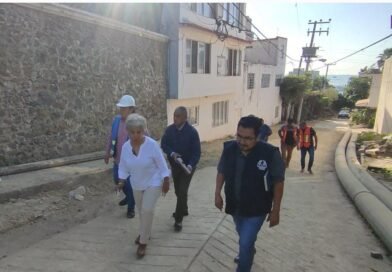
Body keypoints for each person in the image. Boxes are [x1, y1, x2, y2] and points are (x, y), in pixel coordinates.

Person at [215, 115, 285, 272]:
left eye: (248, 138)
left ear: (258, 136)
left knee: (245, 242)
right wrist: (217, 193)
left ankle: (244, 262)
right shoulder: (229, 149)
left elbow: (278, 182)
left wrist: (276, 210)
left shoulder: (270, 153)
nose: (241, 141)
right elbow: (222, 171)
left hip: (257, 208)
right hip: (235, 206)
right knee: (244, 238)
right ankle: (247, 251)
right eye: (239, 136)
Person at [118, 113, 170, 258]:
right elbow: (123, 166)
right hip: (136, 183)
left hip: (154, 181)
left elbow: (162, 164)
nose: (135, 135)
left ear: (144, 131)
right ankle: (144, 232)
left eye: (139, 132)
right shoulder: (125, 147)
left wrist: (166, 180)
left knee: (147, 210)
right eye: (132, 132)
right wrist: (121, 181)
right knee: (141, 211)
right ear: (128, 132)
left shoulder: (152, 145)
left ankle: (143, 242)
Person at [161, 106, 201, 232]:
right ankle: (184, 208)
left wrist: (190, 165)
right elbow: (164, 144)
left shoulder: (192, 133)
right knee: (178, 192)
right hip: (175, 166)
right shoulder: (169, 130)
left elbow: (197, 152)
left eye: (178, 116)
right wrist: (172, 153)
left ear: (185, 118)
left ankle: (178, 220)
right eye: (174, 115)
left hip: (187, 167)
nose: (175, 118)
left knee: (182, 191)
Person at [104, 95, 136, 218]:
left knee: (129, 184)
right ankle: (129, 197)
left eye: (124, 108)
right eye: (120, 108)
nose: (121, 110)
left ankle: (131, 208)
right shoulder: (116, 120)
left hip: (131, 162)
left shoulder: (137, 122)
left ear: (131, 109)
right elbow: (110, 137)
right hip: (118, 159)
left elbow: (146, 138)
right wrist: (107, 152)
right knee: (117, 180)